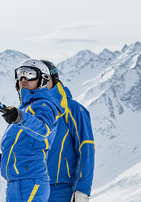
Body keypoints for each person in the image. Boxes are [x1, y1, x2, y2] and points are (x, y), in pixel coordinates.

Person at [0, 59, 63, 201]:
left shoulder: (45, 105)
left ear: (43, 79)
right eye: (20, 74)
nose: (23, 79)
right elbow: (22, 150)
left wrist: (19, 117)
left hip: (31, 182)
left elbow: (43, 131)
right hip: (15, 184)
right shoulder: (24, 109)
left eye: (30, 74)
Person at [41, 60, 95, 202]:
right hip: (33, 188)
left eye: (45, 80)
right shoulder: (29, 112)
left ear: (54, 80)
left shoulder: (73, 110)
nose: (41, 85)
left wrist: (83, 189)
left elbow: (86, 149)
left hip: (61, 189)